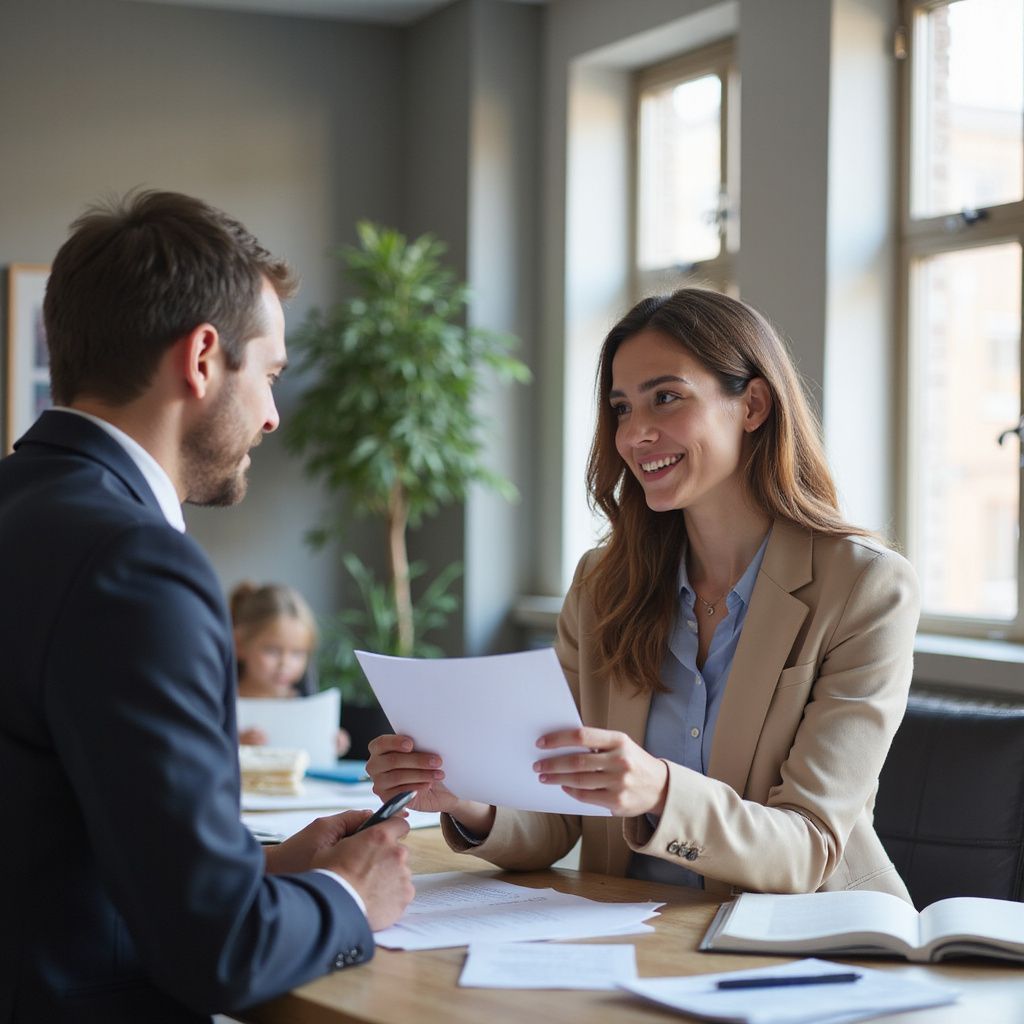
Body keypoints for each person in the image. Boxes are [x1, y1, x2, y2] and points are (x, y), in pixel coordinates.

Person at [0, 190, 414, 1024]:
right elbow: (218, 951)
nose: (270, 416)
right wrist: (347, 895)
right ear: (201, 358)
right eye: (267, 374)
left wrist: (261, 871)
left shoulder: (20, 508)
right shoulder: (136, 564)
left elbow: (51, 840)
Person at [367, 287, 920, 901]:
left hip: (806, 948)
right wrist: (469, 798)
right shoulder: (603, 585)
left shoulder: (866, 587)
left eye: (666, 398)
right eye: (623, 408)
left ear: (754, 405)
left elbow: (809, 848)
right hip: (634, 938)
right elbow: (557, 816)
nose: (636, 435)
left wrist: (660, 791)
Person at [231, 580, 351, 754]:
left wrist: (333, 743)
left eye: (297, 653)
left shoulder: (307, 707)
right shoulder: (222, 703)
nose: (285, 664)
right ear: (239, 644)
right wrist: (233, 743)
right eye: (272, 650)